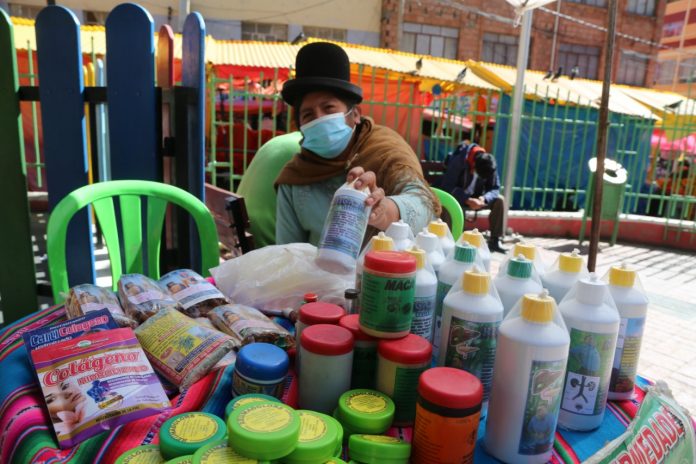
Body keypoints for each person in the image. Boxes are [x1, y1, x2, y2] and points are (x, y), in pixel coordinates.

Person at [275, 42, 440, 245]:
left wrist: (386, 210)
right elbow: (287, 253)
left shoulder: (385, 151)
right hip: (317, 275)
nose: (320, 119)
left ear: (355, 115)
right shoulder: (294, 180)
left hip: (385, 273)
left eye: (329, 108)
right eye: (308, 115)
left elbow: (426, 206)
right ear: (299, 126)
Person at [436, 141, 508, 252]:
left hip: (477, 198)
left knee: (499, 200)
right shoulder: (459, 161)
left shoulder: (489, 164)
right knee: (448, 204)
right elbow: (447, 187)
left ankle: (495, 240)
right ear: (474, 166)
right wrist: (467, 199)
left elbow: (494, 188)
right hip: (457, 197)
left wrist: (484, 198)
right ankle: (448, 239)